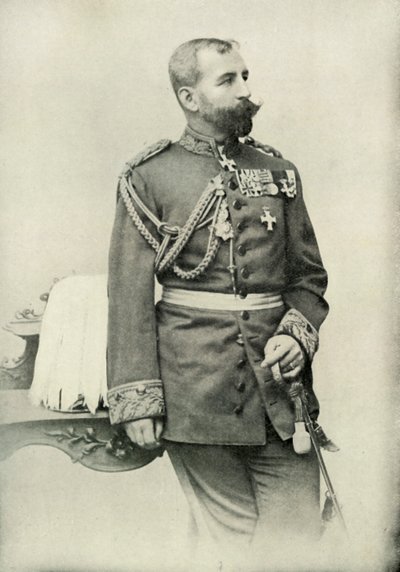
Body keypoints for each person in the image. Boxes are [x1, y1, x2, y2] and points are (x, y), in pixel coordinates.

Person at [106, 38, 329, 566]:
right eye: (227, 80)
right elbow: (128, 296)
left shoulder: (278, 171)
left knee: (296, 536)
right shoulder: (149, 176)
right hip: (192, 392)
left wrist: (295, 336)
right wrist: (138, 398)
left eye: (245, 76)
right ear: (189, 96)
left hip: (278, 394)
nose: (245, 89)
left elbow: (308, 277)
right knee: (236, 545)